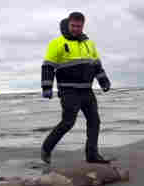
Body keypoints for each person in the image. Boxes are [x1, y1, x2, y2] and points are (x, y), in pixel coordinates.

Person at [40, 12, 112, 164]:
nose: (75, 29)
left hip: (87, 90)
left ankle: (92, 155)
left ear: (83, 26)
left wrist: (104, 81)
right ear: (68, 24)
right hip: (68, 90)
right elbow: (48, 66)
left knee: (94, 121)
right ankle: (46, 148)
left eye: (79, 26)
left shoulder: (89, 44)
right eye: (73, 26)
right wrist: (47, 87)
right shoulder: (57, 43)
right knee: (68, 122)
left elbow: (96, 65)